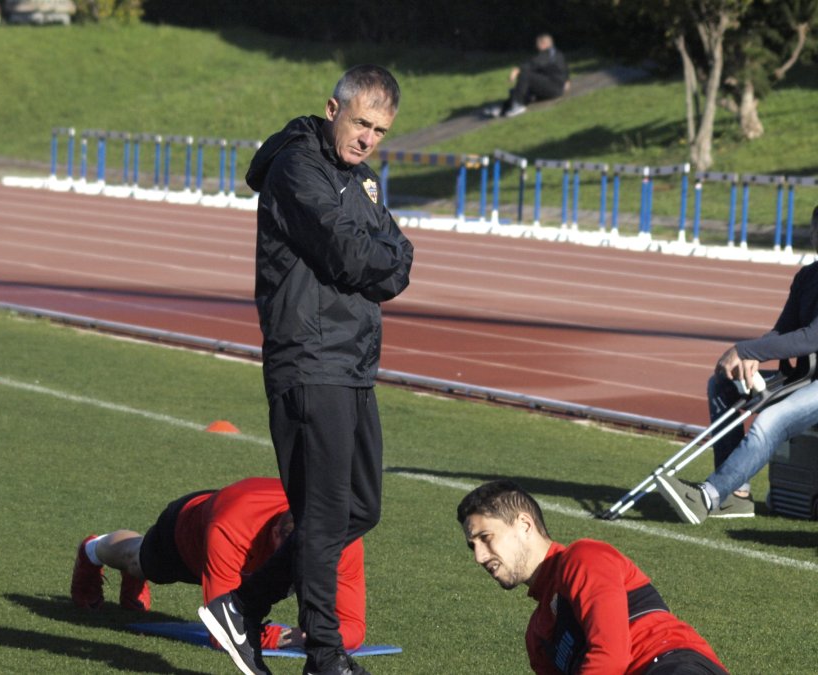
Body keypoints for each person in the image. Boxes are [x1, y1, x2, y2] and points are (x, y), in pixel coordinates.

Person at [200, 64, 412, 675]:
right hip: (309, 357)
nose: (369, 138)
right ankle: (325, 657)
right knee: (322, 515)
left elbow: (400, 260)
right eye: (361, 122)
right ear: (332, 108)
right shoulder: (298, 167)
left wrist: (375, 257)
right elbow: (351, 253)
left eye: (381, 129)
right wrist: (374, 257)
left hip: (352, 361)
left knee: (360, 508)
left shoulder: (362, 182)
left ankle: (243, 604)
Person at [458, 480, 727, 674]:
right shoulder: (537, 635)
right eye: (473, 546)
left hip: (670, 663)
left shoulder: (584, 558)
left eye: (485, 538)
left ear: (524, 525)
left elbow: (610, 657)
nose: (479, 556)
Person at [71, 477, 366, 651]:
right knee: (138, 561)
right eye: (292, 561)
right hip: (187, 536)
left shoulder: (343, 541)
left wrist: (322, 634)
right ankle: (92, 550)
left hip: (236, 536)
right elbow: (222, 631)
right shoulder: (231, 528)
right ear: (276, 534)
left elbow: (353, 625)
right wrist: (286, 637)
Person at [658, 204, 818, 524]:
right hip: (804, 378)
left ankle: (708, 496)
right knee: (722, 383)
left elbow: (812, 338)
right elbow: (783, 330)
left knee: (770, 421)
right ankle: (737, 495)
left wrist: (747, 350)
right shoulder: (807, 276)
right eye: (816, 228)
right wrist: (749, 360)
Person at [483, 33, 569, 118]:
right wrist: (567, 81)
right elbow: (563, 69)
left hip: (553, 88)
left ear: (544, 44)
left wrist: (516, 70)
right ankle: (502, 109)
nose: (536, 46)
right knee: (521, 89)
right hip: (555, 87)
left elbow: (533, 63)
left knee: (525, 75)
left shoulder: (548, 54)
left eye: (538, 44)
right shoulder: (557, 54)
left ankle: (518, 106)